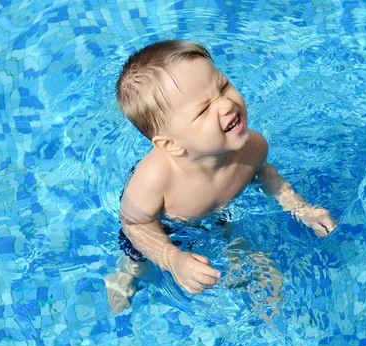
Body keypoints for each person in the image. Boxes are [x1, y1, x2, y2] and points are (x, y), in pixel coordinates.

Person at [105, 40, 337, 313]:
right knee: (138, 256)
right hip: (166, 221)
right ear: (171, 145)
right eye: (203, 110)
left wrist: (302, 209)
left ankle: (242, 260)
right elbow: (135, 223)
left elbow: (265, 174)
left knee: (230, 234)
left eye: (223, 86)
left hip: (219, 207)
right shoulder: (153, 181)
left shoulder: (252, 146)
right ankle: (126, 272)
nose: (226, 104)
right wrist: (172, 259)